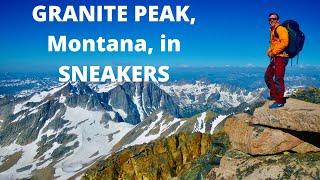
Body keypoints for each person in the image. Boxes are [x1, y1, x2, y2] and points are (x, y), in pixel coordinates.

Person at [265, 12, 289, 109]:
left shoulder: (280, 29)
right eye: (270, 19)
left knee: (278, 78)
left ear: (277, 20)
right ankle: (274, 95)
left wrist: (273, 52)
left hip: (281, 57)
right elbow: (274, 44)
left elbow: (285, 42)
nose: (271, 20)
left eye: (273, 19)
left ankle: (280, 101)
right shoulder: (272, 30)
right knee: (268, 76)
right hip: (276, 57)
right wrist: (269, 51)